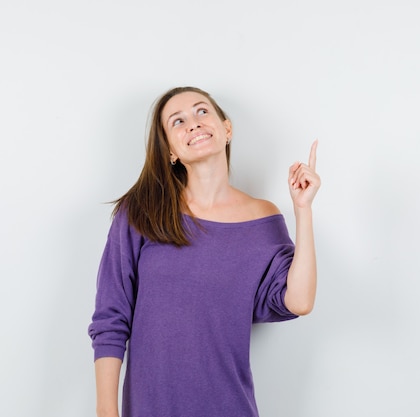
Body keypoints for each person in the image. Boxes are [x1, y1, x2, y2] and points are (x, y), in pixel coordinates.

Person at [88, 86, 320, 417]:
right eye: (177, 121)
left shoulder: (262, 219)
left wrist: (303, 210)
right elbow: (111, 317)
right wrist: (106, 411)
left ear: (226, 129)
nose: (193, 124)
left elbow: (298, 301)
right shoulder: (141, 212)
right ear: (170, 150)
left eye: (201, 112)